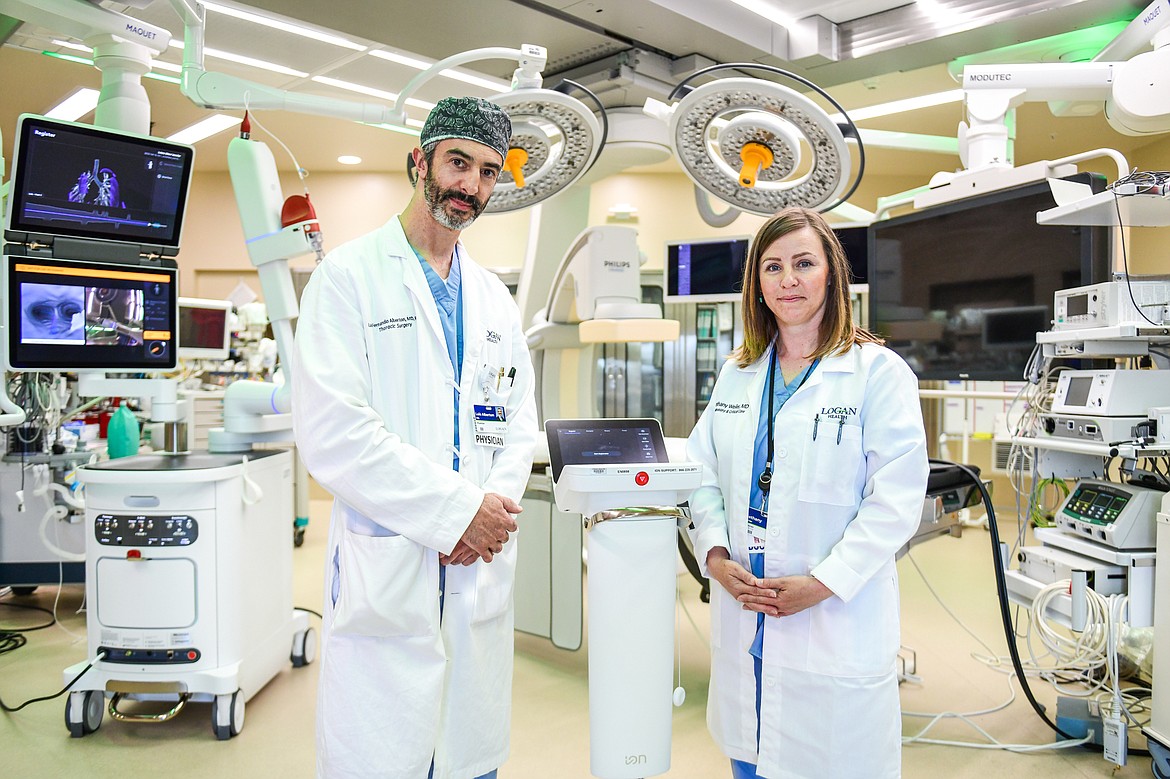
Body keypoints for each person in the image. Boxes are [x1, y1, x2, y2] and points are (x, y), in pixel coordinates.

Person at [292, 96, 538, 779]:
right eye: (458, 162)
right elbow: (336, 433)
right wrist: (457, 514)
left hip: (474, 569)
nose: (472, 186)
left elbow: (518, 423)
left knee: (467, 758)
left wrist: (485, 516)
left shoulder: (493, 297)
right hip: (389, 565)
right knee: (383, 754)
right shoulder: (348, 278)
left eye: (489, 172)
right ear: (418, 161)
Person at [685, 207, 929, 778]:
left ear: (831, 276)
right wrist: (716, 555)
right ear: (757, 284)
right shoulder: (738, 373)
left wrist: (822, 584)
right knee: (751, 753)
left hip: (831, 619)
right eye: (772, 267)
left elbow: (895, 502)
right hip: (747, 604)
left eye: (803, 263)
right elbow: (700, 472)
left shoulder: (877, 372)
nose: (788, 280)